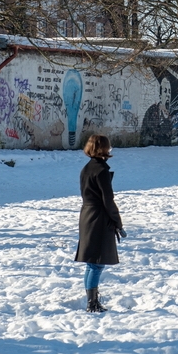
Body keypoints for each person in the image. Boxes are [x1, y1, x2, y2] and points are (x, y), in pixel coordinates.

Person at [74, 134, 125, 313]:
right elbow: (108, 200)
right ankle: (92, 303)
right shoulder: (101, 170)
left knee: (91, 262)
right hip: (99, 217)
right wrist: (118, 222)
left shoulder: (86, 168)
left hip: (86, 214)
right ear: (104, 148)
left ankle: (91, 299)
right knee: (97, 262)